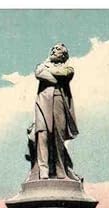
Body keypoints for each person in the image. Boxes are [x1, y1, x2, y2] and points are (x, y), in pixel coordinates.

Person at [34, 43, 79, 179]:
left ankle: (61, 169)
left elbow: (65, 73)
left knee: (58, 135)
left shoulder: (68, 67)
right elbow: (38, 73)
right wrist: (55, 78)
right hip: (42, 100)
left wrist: (50, 72)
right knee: (42, 133)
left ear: (64, 55)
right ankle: (43, 170)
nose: (54, 50)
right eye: (52, 49)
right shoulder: (43, 64)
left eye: (57, 49)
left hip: (59, 100)